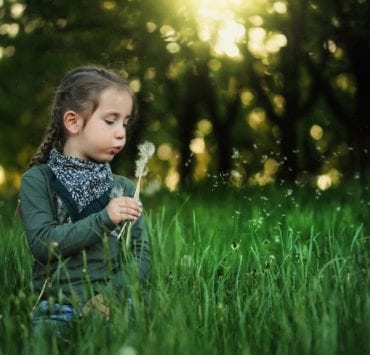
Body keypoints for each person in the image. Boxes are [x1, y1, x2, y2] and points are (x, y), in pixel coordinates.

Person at [18, 66, 150, 332]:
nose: (121, 132)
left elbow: (140, 255)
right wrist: (105, 218)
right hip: (56, 305)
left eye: (125, 122)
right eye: (110, 120)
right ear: (73, 122)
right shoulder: (38, 181)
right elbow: (43, 244)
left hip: (114, 302)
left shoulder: (124, 188)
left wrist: (111, 296)